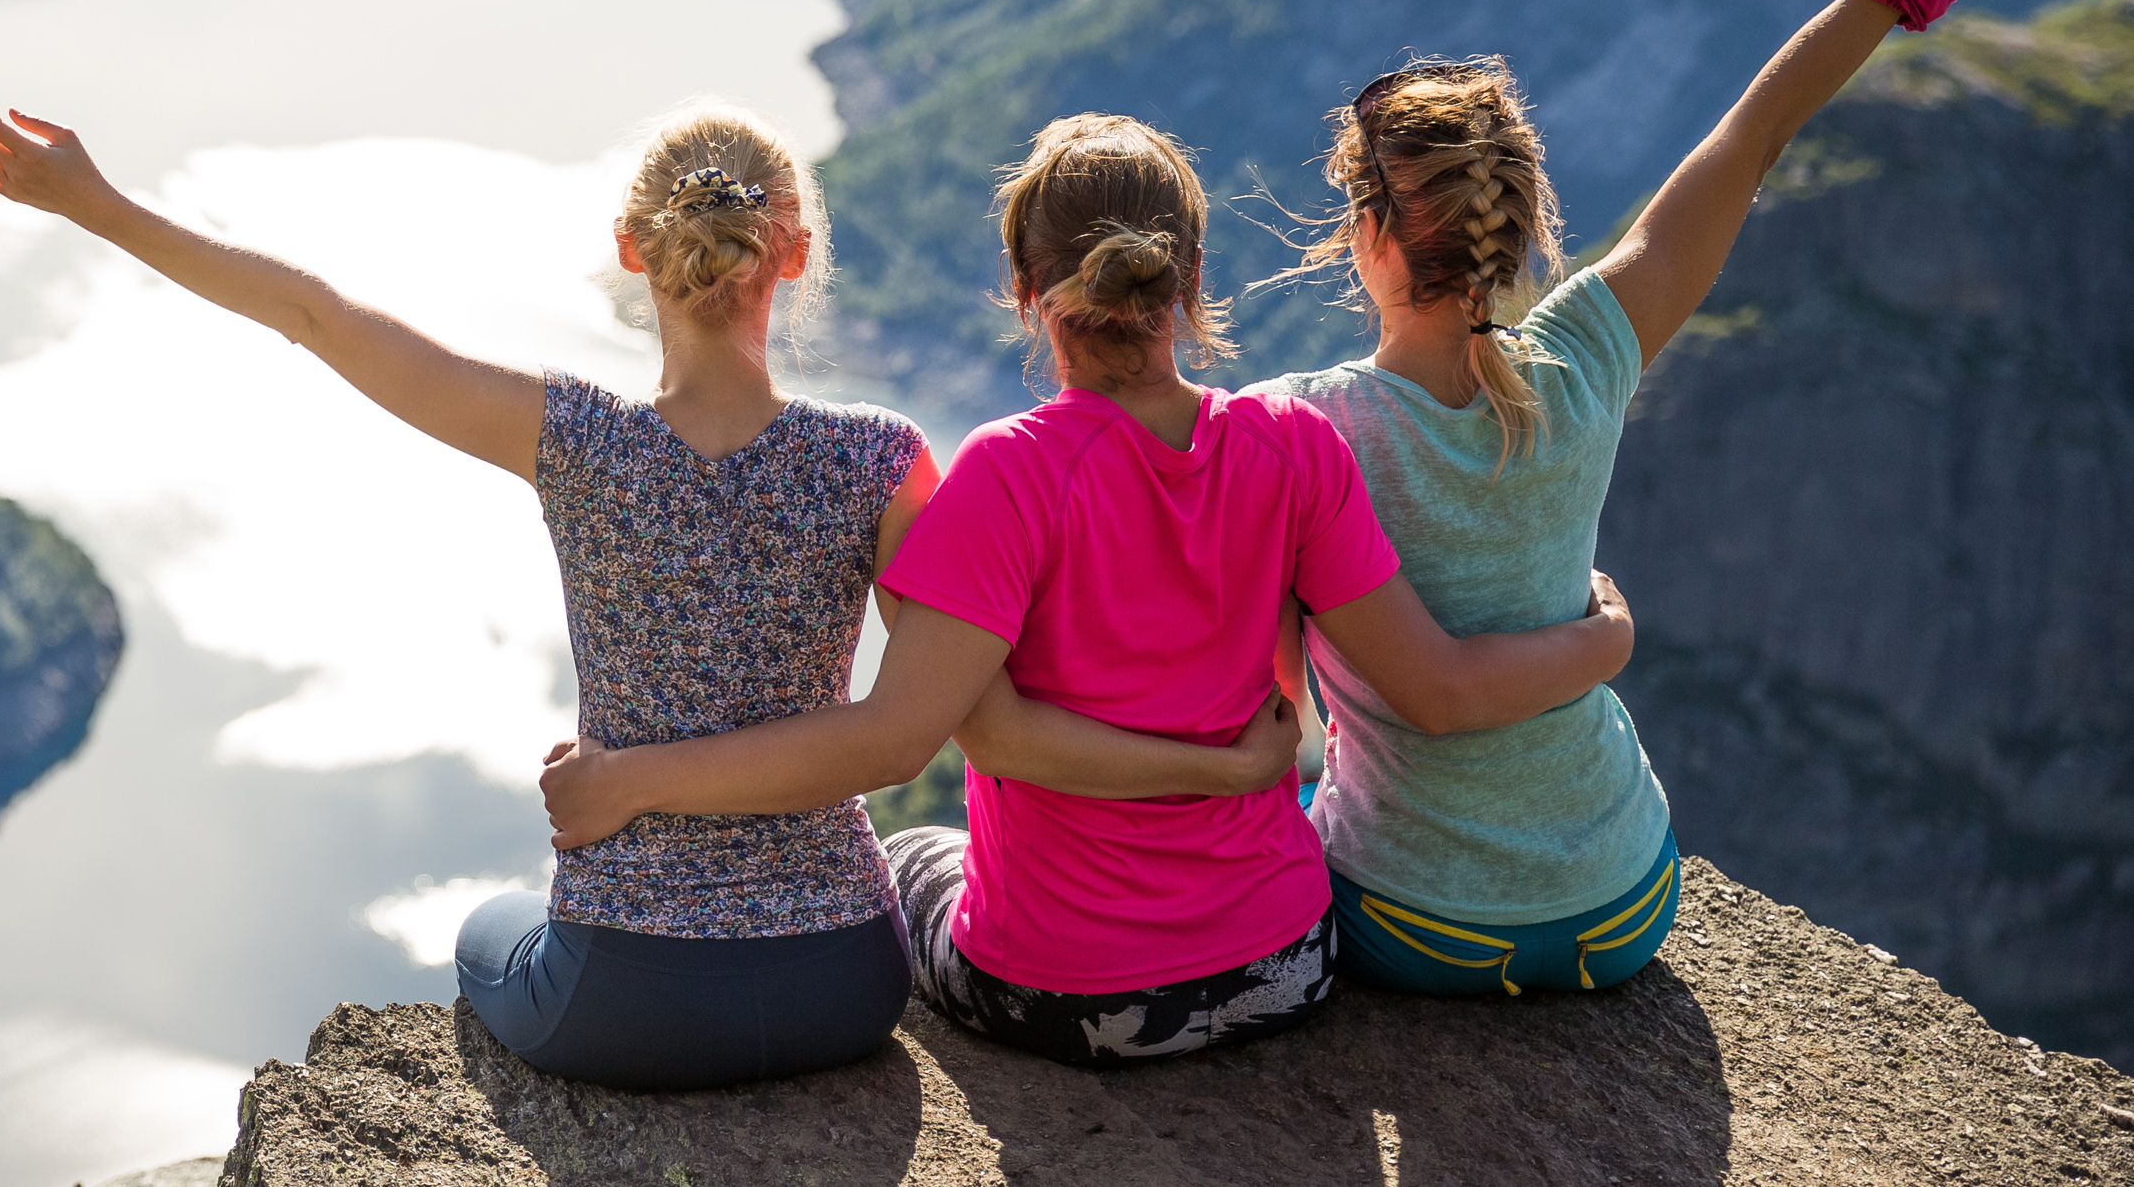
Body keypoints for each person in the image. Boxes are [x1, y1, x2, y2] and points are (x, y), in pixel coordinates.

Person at [539, 113, 1636, 1067]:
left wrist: (629, 780)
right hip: (1283, 961)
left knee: (916, 857)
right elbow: (1418, 674)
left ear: (1025, 288)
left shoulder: (1009, 471)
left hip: (1067, 994)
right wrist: (1590, 637)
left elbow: (982, 737)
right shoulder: (1291, 442)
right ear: (1190, 276)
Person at [0, 93, 938, 1091]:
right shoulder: (881, 457)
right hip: (843, 979)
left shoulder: (578, 439)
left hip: (631, 998)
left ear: (633, 249)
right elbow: (898, 734)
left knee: (483, 929)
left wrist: (95, 203)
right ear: (792, 251)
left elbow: (313, 313)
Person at [1273, 0, 2050, 998]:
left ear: (1366, 230)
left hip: (1421, 925)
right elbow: (1748, 138)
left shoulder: (1302, 426)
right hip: (1623, 898)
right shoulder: (1587, 349)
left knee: (1295, 823)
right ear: (1520, 226)